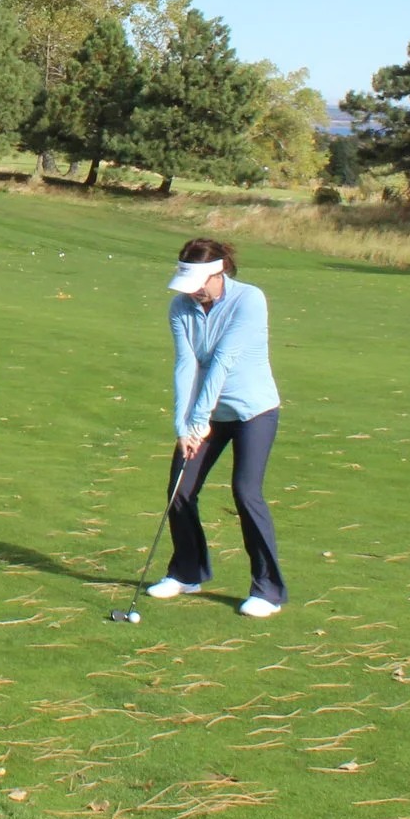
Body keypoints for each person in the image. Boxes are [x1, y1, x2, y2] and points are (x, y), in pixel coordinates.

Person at [147, 236, 286, 618]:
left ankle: (267, 590)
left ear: (218, 272)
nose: (192, 294)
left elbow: (223, 362)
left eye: (197, 286)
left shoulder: (250, 300)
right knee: (180, 488)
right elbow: (185, 365)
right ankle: (187, 573)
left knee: (246, 492)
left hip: (252, 411)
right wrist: (184, 426)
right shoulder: (181, 307)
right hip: (206, 415)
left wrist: (198, 419)